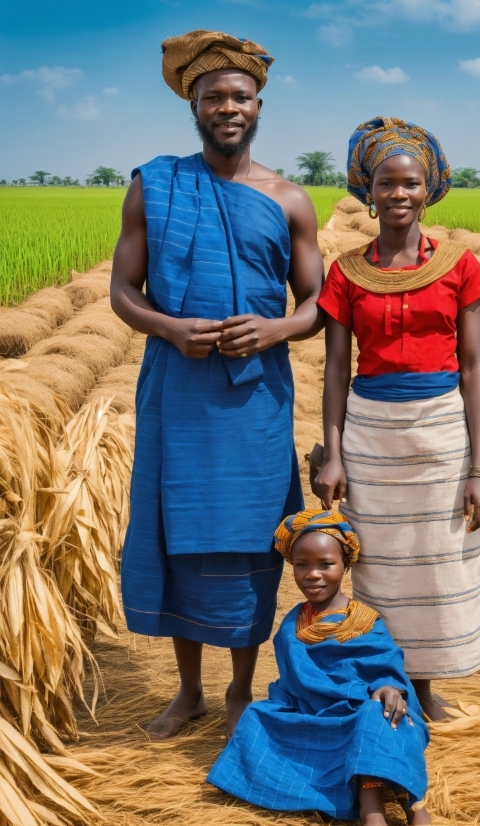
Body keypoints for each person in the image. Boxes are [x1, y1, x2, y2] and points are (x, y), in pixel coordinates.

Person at [110, 29, 323, 739]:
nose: (227, 107)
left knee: (247, 537)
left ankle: (239, 688)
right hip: (177, 390)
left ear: (259, 105)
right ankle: (190, 690)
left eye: (239, 96)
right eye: (213, 97)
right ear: (193, 107)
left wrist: (274, 331)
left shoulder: (289, 198)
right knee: (180, 533)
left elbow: (317, 305)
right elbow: (122, 291)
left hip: (256, 396)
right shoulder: (155, 185)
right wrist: (169, 328)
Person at [314, 116, 480, 721]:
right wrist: (333, 452)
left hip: (442, 431)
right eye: (386, 183)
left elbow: (473, 369)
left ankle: (423, 690)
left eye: (411, 183)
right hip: (372, 433)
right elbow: (337, 369)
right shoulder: (346, 271)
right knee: (383, 566)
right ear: (368, 191)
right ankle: (385, 686)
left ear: (429, 189)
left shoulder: (460, 266)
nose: (399, 194)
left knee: (439, 565)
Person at [207, 509, 431, 826]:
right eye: (302, 565)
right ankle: (348, 793)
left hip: (359, 711)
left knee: (379, 716)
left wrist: (386, 688)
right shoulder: (291, 625)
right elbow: (293, 683)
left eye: (326, 564)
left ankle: (388, 808)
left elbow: (387, 670)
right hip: (313, 715)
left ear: (345, 564)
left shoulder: (364, 620)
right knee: (256, 716)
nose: (313, 574)